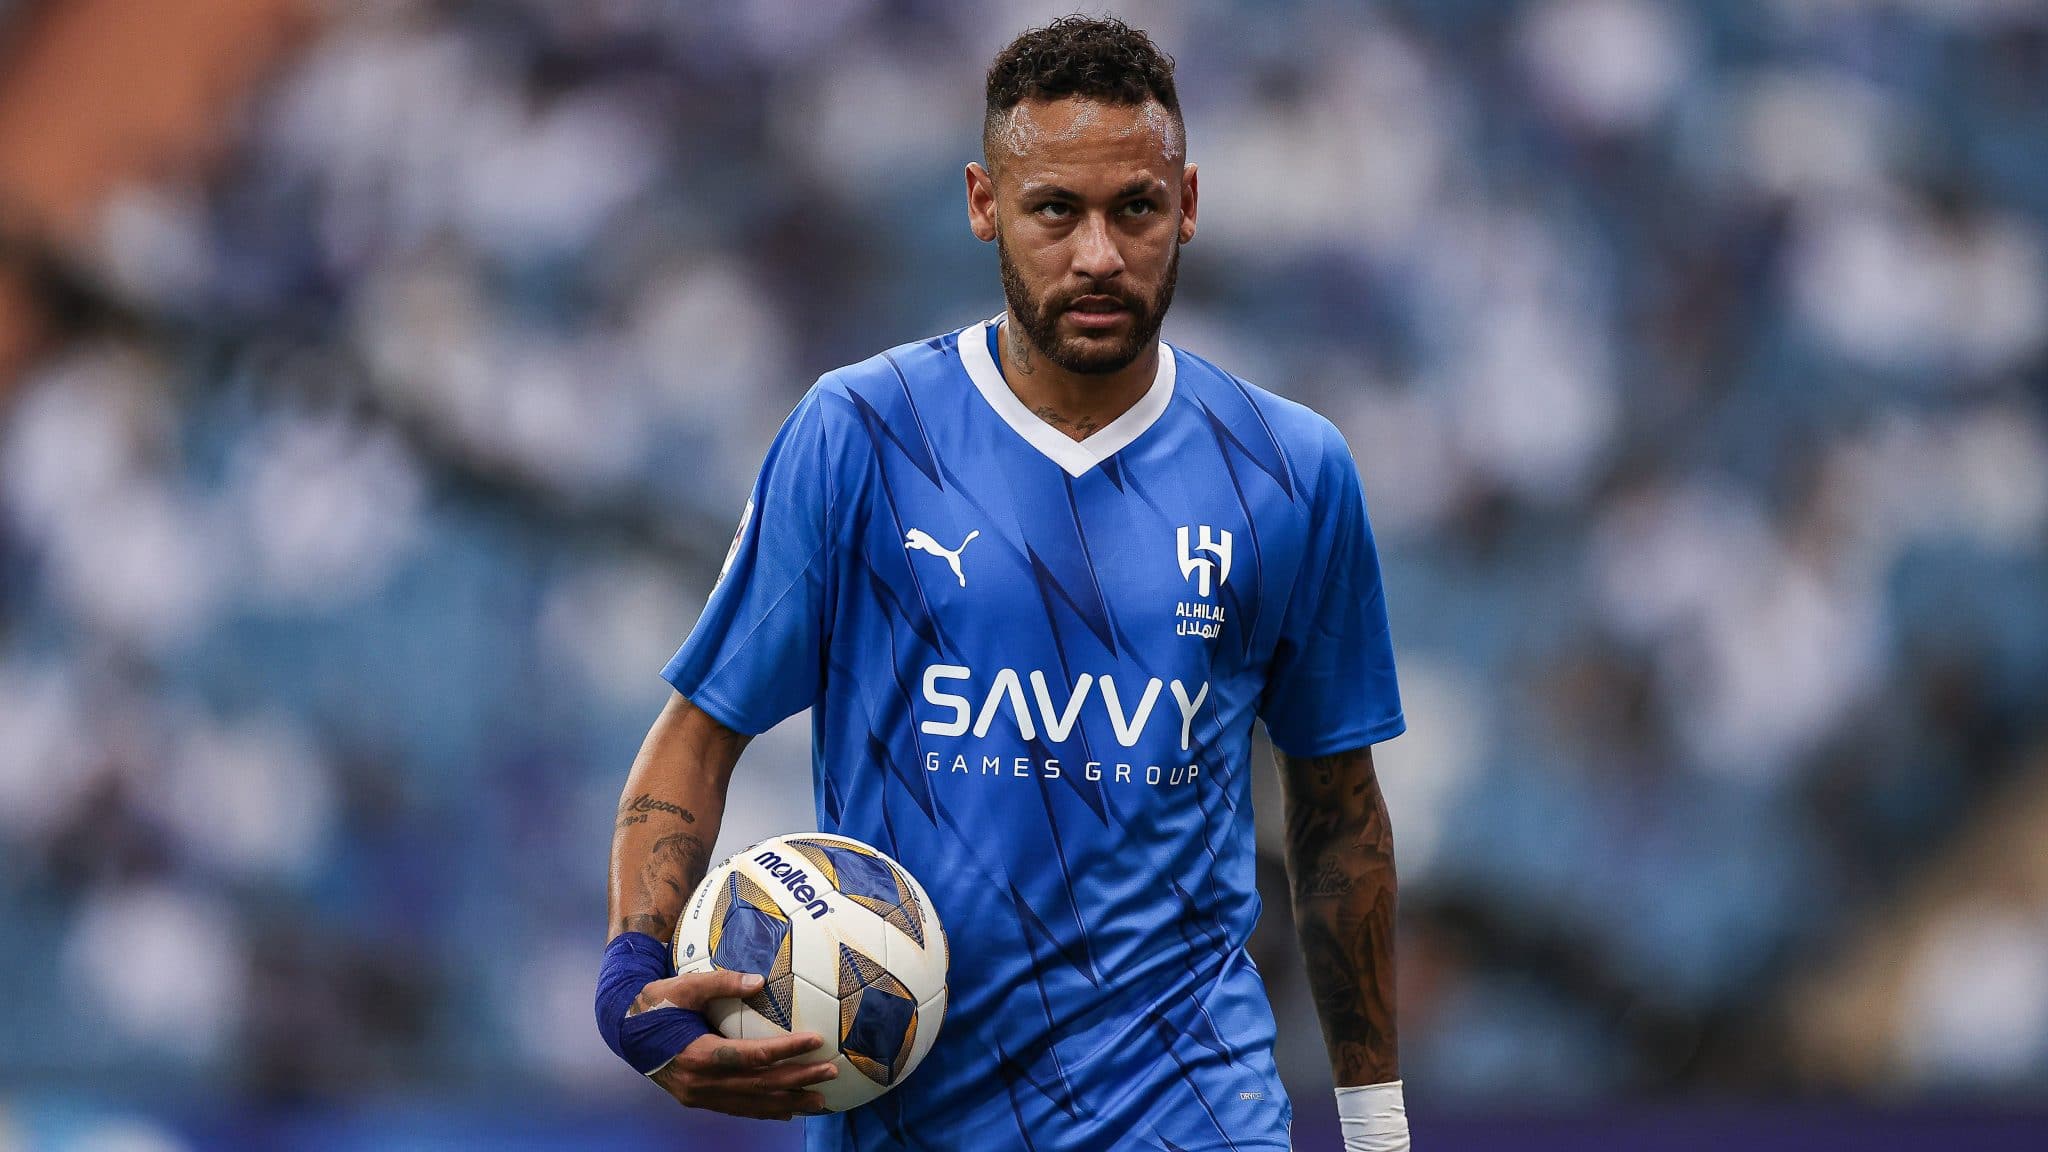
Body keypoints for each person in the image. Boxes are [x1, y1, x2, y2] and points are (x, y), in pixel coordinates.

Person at [595, 16, 1410, 1152]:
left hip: (1189, 1114)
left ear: (1186, 205)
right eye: (1054, 211)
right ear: (985, 205)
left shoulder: (1291, 469)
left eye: (1134, 208)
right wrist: (632, 984)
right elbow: (698, 734)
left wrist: (1376, 1127)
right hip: (913, 1122)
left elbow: (1339, 818)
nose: (1098, 255)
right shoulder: (861, 433)